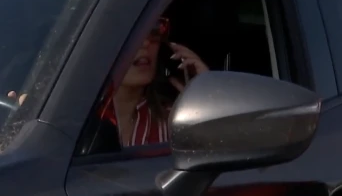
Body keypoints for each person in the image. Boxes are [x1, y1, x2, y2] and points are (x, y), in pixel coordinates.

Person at [8, 16, 208, 147]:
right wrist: (19, 130)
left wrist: (207, 99)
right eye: (131, 31)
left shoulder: (174, 122)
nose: (146, 42)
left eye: (154, 29)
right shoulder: (59, 120)